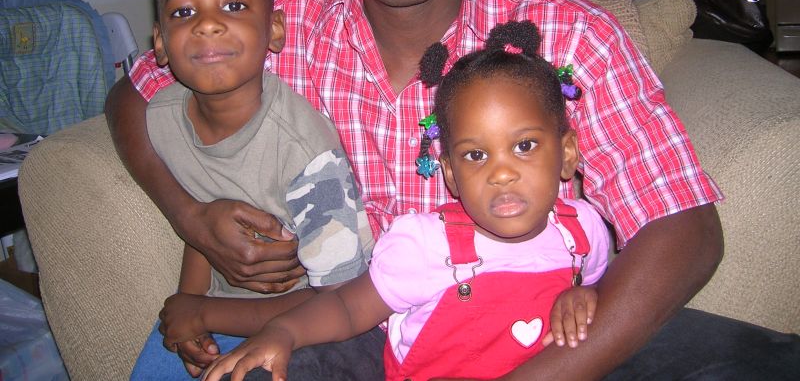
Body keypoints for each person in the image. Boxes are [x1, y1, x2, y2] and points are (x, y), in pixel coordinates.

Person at [106, 0, 799, 380]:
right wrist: (189, 217)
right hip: (353, 326)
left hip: (546, 325)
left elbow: (683, 223)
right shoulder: (272, 22)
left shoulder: (567, 31)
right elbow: (133, 93)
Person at [201, 20, 611, 381]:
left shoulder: (584, 232)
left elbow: (603, 294)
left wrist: (590, 297)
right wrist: (284, 332)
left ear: (567, 154)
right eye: (475, 155)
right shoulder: (426, 245)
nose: (501, 173)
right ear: (450, 174)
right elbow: (348, 308)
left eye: (524, 146)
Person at [128, 0, 379, 380]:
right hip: (216, 310)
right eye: (184, 12)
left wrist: (203, 312)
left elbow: (341, 296)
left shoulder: (305, 153)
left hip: (308, 321)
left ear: (274, 30)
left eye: (233, 5)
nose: (207, 24)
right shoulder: (162, 119)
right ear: (160, 42)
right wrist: (190, 313)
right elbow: (201, 221)